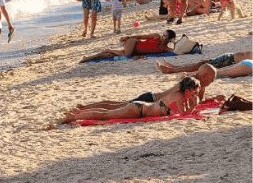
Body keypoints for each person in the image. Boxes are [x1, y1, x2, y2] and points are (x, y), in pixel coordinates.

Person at [60, 77, 200, 123]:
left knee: (108, 110)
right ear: (189, 89)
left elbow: (168, 110)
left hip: (141, 106)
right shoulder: (180, 97)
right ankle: (73, 116)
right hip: (139, 110)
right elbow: (183, 115)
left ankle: (77, 113)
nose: (197, 93)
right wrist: (194, 106)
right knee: (105, 115)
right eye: (195, 90)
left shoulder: (178, 94)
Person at [69, 74, 209, 113]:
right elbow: (181, 110)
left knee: (113, 105)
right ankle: (84, 108)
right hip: (149, 99)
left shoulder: (183, 87)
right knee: (112, 106)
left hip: (149, 99)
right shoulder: (180, 90)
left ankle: (84, 108)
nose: (197, 91)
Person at [79, 29, 176, 62]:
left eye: (165, 36)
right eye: (163, 34)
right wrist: (128, 37)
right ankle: (110, 49)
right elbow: (141, 36)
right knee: (127, 54)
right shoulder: (156, 36)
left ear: (169, 39)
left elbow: (177, 51)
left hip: (134, 51)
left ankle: (88, 57)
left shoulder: (165, 49)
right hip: (133, 42)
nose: (163, 37)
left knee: (110, 56)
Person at [157, 50, 252, 74]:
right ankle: (174, 67)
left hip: (230, 61)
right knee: (200, 64)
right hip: (229, 58)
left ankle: (172, 70)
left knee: (200, 65)